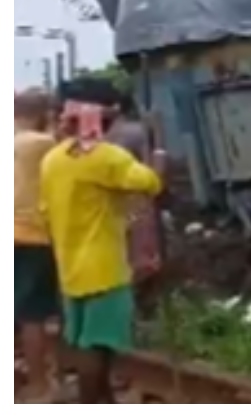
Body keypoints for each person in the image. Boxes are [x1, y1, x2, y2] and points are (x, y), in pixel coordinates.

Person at [40, 85, 167, 404]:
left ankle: (102, 400)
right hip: (105, 267)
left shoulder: (53, 159)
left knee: (85, 341)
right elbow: (149, 182)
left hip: (70, 266)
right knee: (99, 345)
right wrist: (160, 157)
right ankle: (94, 403)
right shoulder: (104, 156)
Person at [14, 89, 62, 402]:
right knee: (33, 312)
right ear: (43, 112)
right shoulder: (39, 144)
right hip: (32, 235)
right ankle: (39, 385)